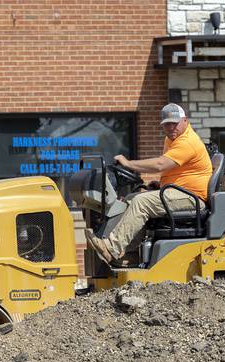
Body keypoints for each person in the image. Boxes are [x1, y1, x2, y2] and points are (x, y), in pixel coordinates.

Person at [85, 103, 212, 264]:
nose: (171, 127)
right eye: (167, 124)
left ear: (185, 120)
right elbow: (175, 170)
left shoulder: (188, 142)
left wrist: (129, 164)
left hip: (193, 198)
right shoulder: (171, 138)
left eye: (175, 123)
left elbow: (160, 164)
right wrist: (159, 186)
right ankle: (127, 253)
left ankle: (111, 247)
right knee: (132, 198)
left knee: (141, 202)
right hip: (178, 192)